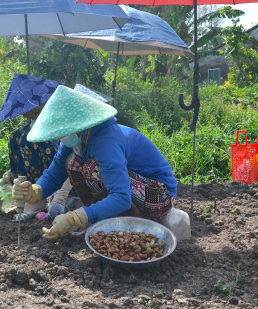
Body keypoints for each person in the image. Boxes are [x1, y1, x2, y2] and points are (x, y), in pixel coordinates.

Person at [12, 85, 179, 240]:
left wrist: (75, 217)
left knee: (92, 170)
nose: (60, 137)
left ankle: (134, 229)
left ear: (79, 126)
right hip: (135, 189)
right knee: (73, 163)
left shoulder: (107, 140)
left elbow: (121, 197)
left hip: (159, 195)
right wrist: (36, 191)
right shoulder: (75, 140)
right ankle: (103, 225)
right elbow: (55, 174)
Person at [0, 74, 72, 220]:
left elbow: (70, 155)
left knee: (29, 139)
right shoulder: (33, 120)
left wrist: (60, 197)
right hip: (42, 164)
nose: (26, 115)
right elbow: (22, 155)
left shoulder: (59, 115)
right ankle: (25, 193)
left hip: (59, 164)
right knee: (15, 136)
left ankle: (36, 201)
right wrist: (7, 176)